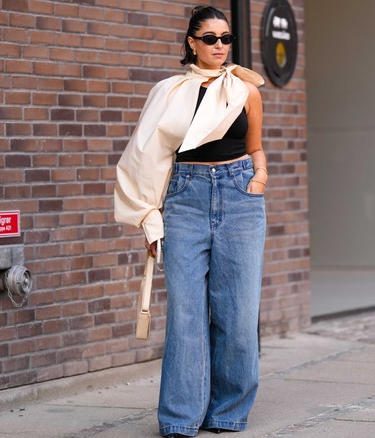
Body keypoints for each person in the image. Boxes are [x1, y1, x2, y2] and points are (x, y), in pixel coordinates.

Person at [113, 5, 267, 437]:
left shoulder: (245, 90)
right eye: (211, 38)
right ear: (191, 43)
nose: (220, 46)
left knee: (237, 314)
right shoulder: (168, 91)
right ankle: (181, 419)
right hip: (185, 198)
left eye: (226, 38)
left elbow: (255, 146)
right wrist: (148, 217)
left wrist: (260, 179)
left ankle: (228, 411)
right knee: (185, 314)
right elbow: (146, 155)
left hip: (240, 196)